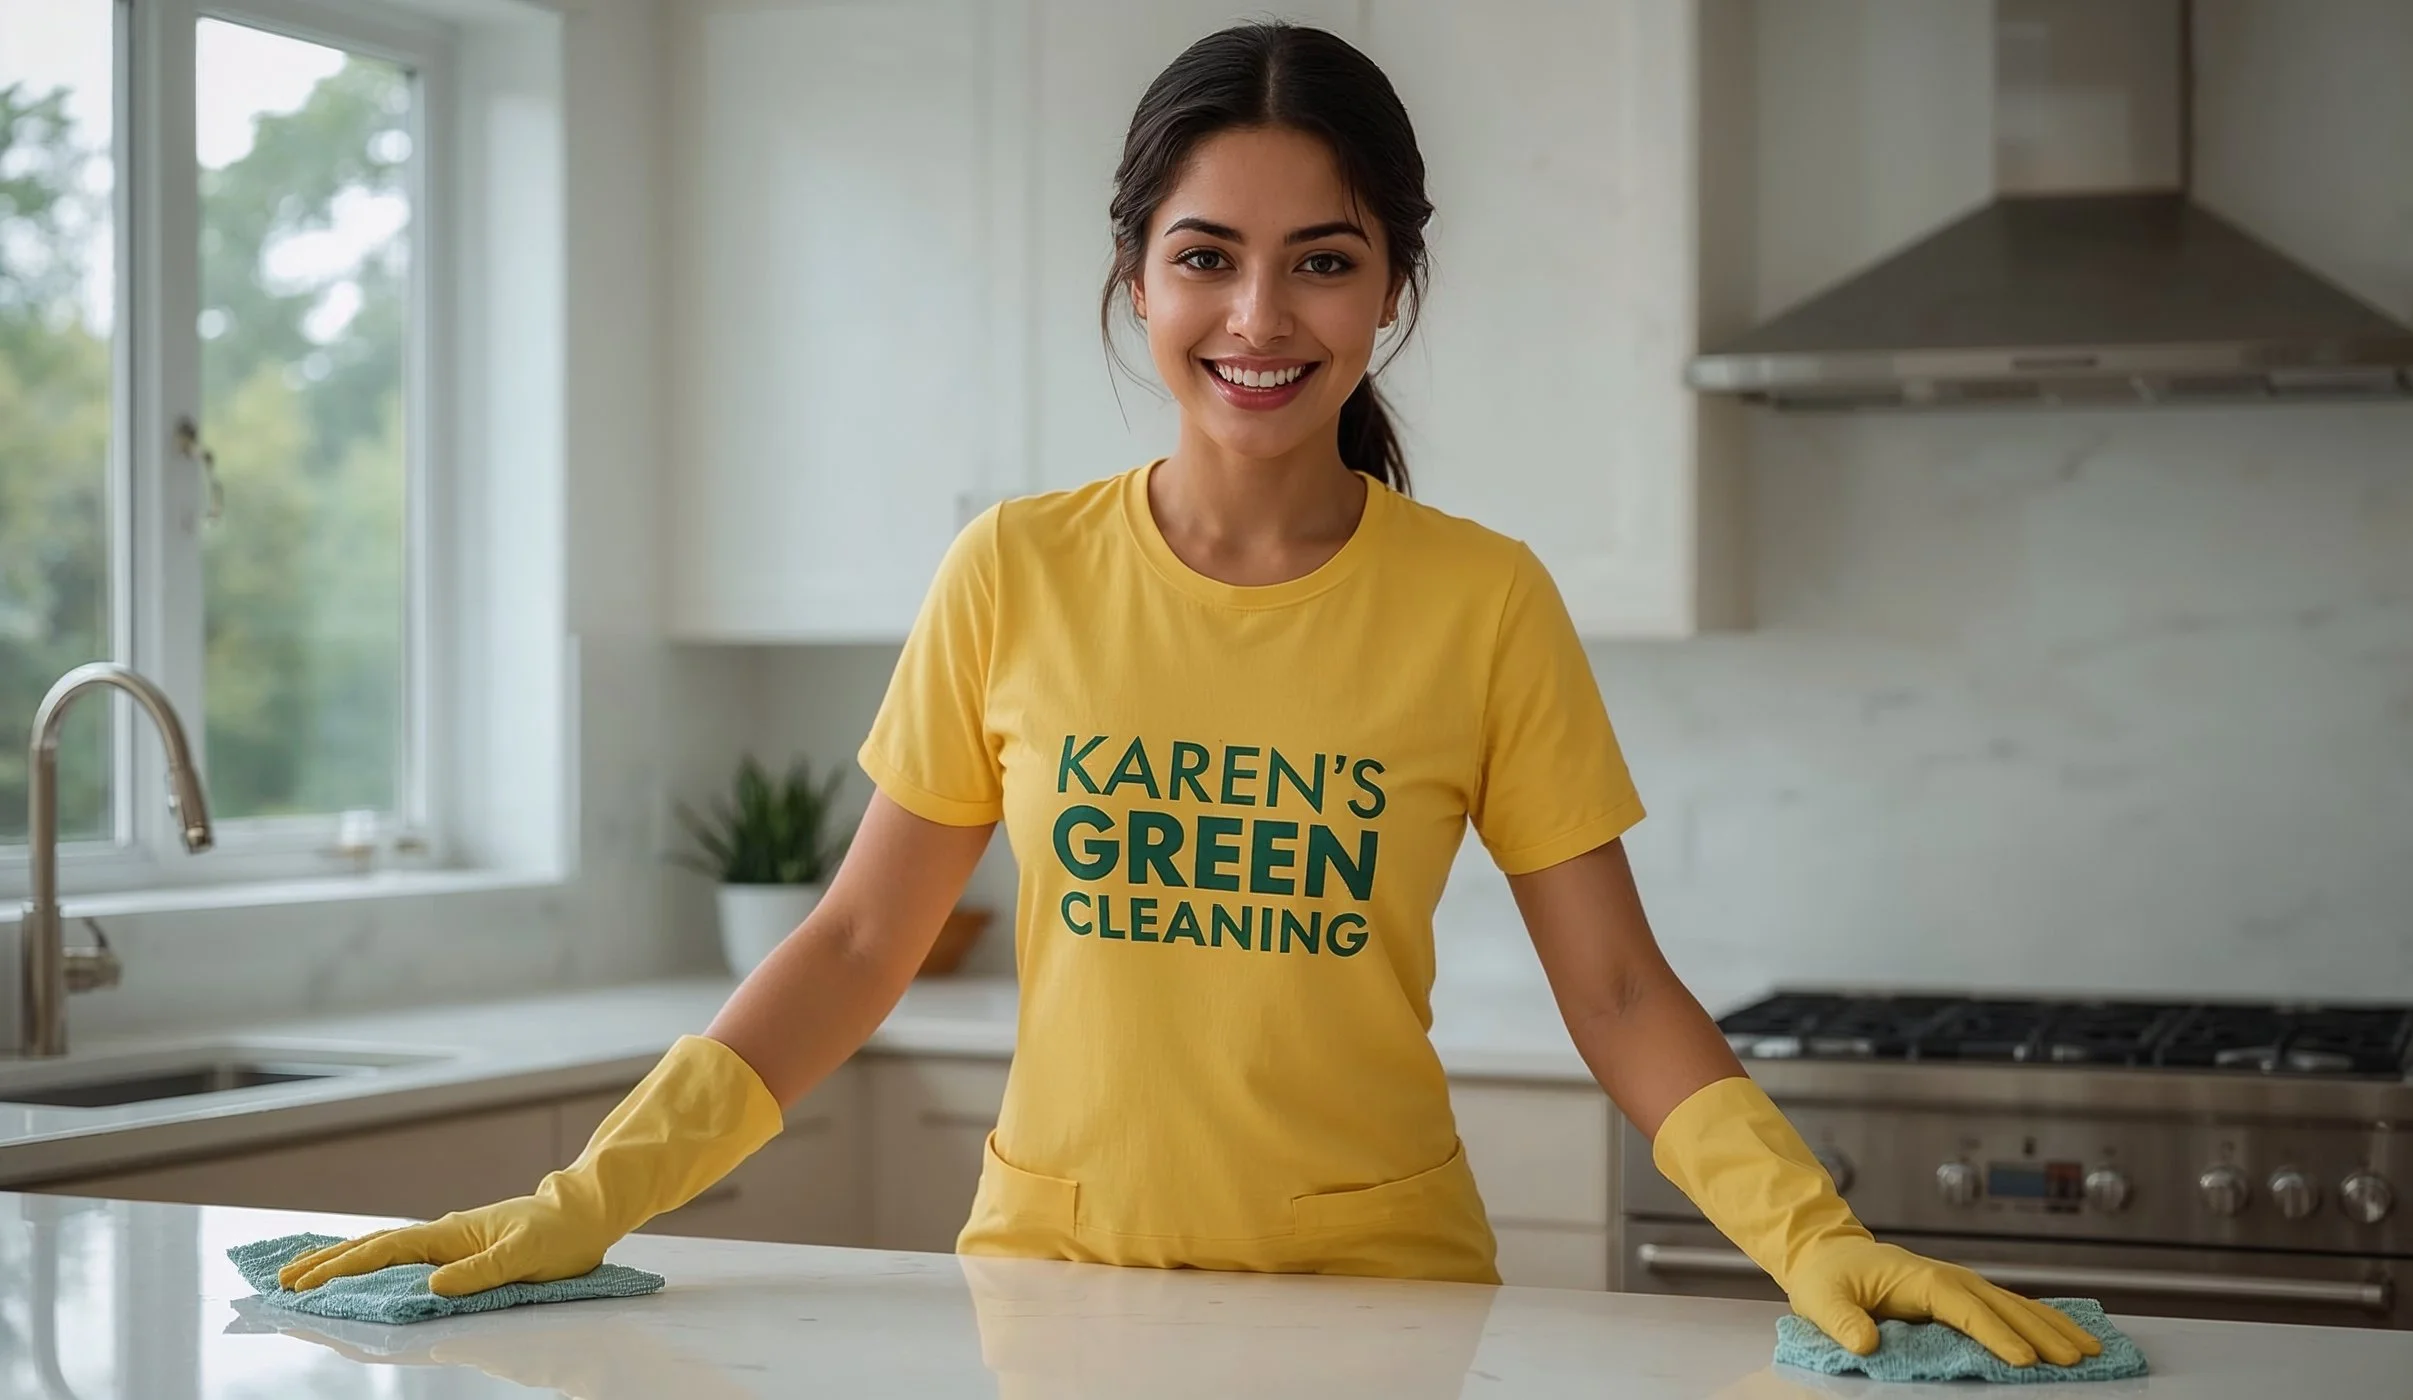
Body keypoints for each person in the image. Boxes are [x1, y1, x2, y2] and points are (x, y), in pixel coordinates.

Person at [282, 22, 2096, 1370]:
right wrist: (589, 1197)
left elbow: (1616, 991)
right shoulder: (1014, 570)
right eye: (1208, 256)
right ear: (1135, 275)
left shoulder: (1482, 601)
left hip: (1383, 1313)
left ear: (1392, 289)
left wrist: (1810, 1234)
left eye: (1325, 261)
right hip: (1049, 1296)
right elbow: (855, 944)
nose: (1260, 317)